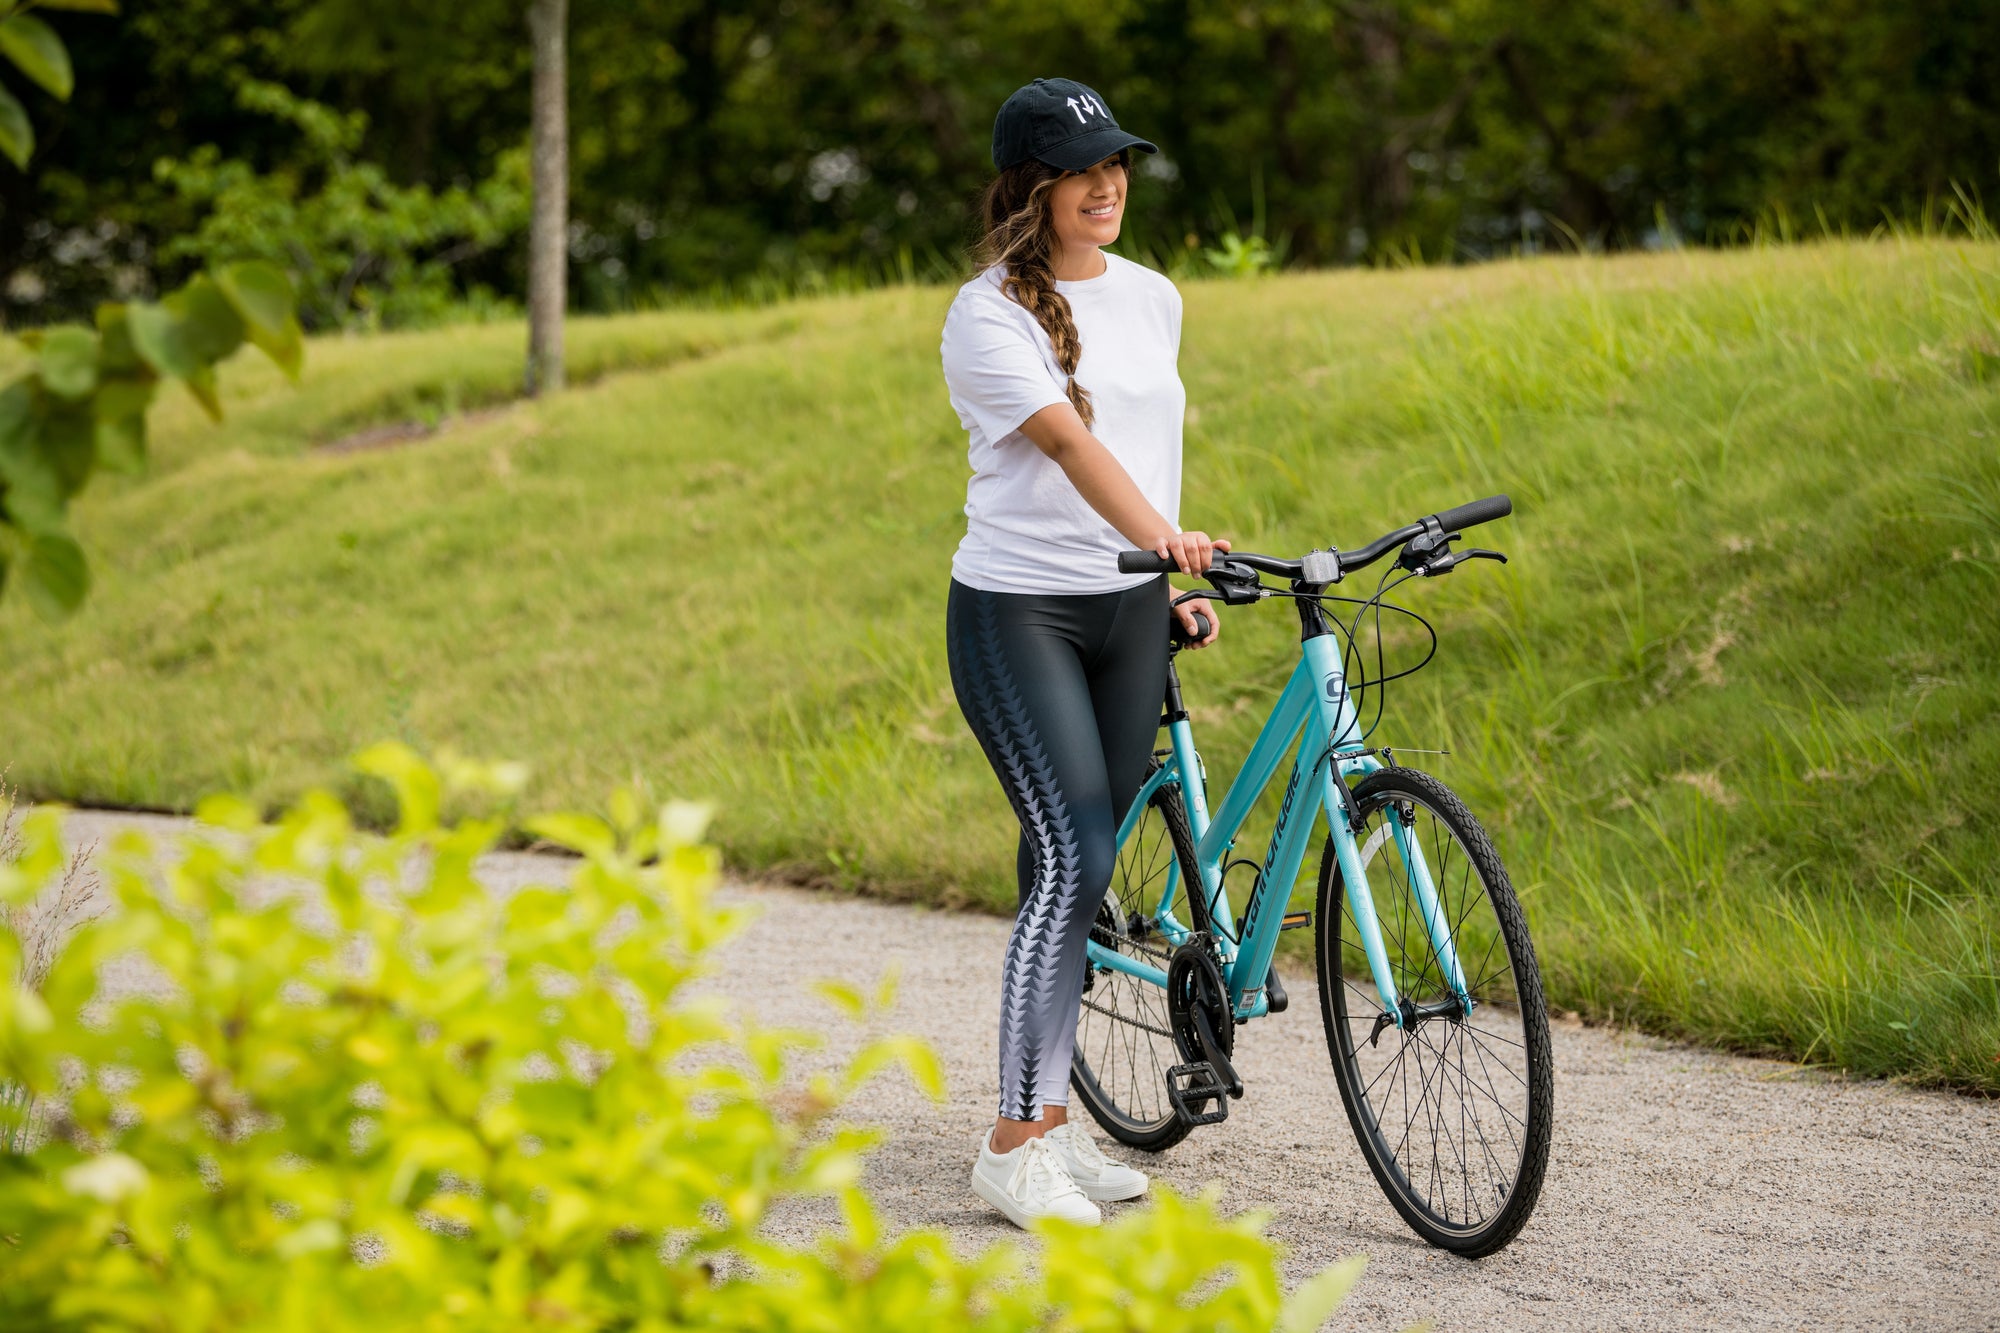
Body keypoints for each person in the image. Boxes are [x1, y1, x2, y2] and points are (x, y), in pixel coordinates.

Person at [941, 77, 1225, 1230]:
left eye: (1115, 162)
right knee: (1075, 854)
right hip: (1019, 614)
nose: (1105, 184)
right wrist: (1162, 538)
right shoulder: (985, 316)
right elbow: (1068, 444)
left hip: (1125, 608)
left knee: (1080, 872)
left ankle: (1051, 1120)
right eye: (1079, 169)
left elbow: (1146, 449)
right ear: (1032, 186)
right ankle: (1013, 1144)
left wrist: (1166, 571)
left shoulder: (1153, 297)